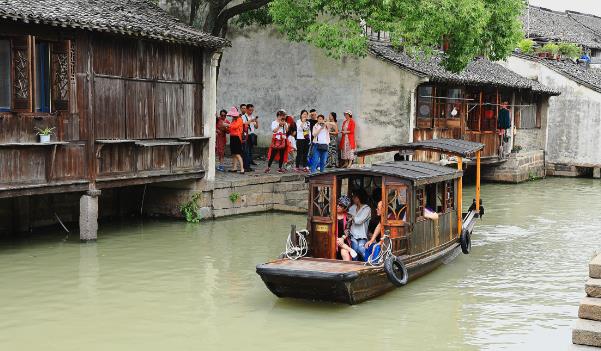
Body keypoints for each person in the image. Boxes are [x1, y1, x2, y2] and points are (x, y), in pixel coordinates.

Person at [343, 189, 371, 261]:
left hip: (362, 235)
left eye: (354, 197)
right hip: (353, 234)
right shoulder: (353, 207)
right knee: (354, 251)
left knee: (361, 249)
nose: (353, 199)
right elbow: (347, 219)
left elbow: (358, 221)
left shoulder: (367, 209)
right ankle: (355, 267)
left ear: (358, 198)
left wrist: (351, 217)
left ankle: (370, 263)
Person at [336, 195, 358, 261]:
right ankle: (351, 250)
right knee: (335, 240)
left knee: (344, 253)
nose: (337, 206)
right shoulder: (331, 215)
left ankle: (348, 270)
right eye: (337, 204)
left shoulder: (349, 217)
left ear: (345, 208)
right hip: (333, 238)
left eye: (340, 205)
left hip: (344, 240)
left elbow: (347, 230)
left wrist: (342, 238)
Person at [227, 107, 245, 174]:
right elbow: (231, 129)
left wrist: (228, 125)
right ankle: (234, 168)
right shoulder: (233, 120)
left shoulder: (239, 119)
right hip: (232, 137)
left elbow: (235, 127)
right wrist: (228, 126)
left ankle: (242, 169)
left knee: (237, 153)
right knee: (234, 154)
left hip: (237, 137)